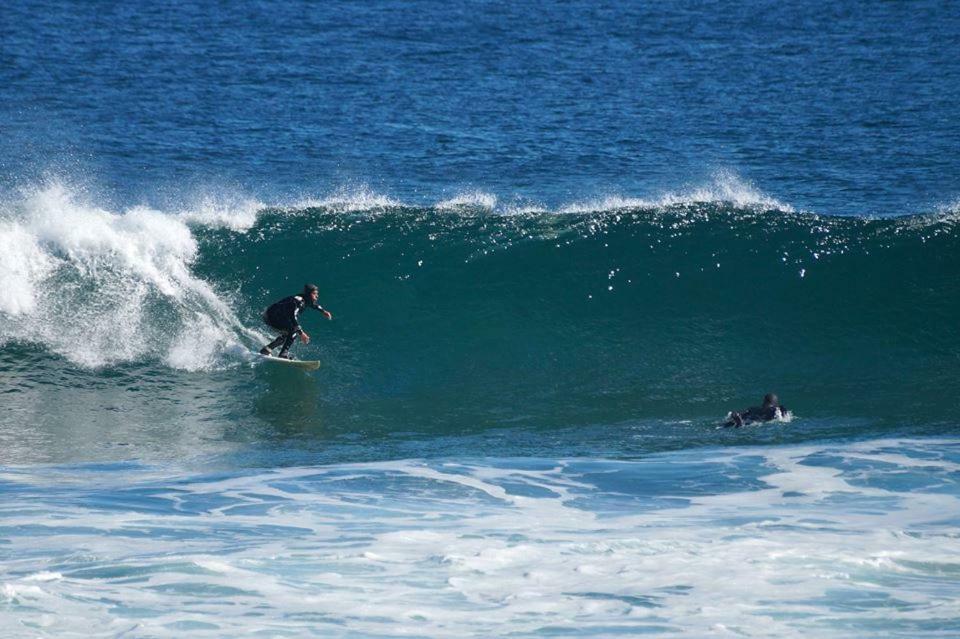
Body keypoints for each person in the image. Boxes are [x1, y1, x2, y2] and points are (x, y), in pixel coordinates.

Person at [259, 284, 333, 359]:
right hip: (271, 316)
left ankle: (266, 350)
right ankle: (283, 354)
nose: (317, 296)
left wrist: (323, 311)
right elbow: (292, 317)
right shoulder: (298, 301)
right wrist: (301, 333)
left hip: (274, 316)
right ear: (308, 294)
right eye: (314, 294)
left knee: (287, 334)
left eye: (317, 294)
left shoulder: (306, 300)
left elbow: (315, 305)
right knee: (293, 331)